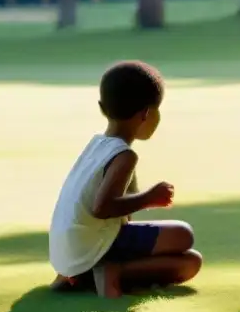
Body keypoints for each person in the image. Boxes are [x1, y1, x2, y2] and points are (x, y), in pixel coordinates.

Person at [48, 61, 202, 298]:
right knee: (183, 236)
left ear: (102, 107)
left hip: (68, 249)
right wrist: (149, 198)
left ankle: (83, 275)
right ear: (147, 114)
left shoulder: (96, 145)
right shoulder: (123, 155)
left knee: (190, 261)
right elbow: (103, 207)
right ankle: (113, 271)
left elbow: (116, 214)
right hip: (92, 244)